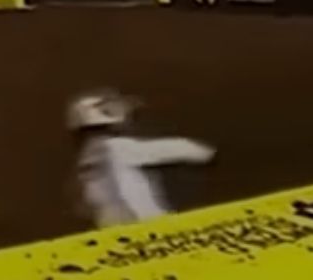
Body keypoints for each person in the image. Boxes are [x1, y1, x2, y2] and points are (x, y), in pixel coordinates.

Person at [67, 90, 214, 227]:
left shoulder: (86, 159)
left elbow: (84, 204)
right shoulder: (116, 147)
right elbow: (182, 150)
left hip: (116, 232)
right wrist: (204, 152)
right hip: (148, 225)